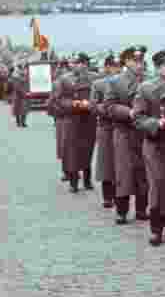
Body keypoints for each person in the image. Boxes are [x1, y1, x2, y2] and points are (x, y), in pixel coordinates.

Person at [133, 49, 165, 247]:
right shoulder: (147, 88)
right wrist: (157, 124)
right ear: (157, 68)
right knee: (158, 186)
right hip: (156, 144)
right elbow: (137, 118)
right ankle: (156, 228)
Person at [104, 45, 150, 225]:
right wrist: (128, 112)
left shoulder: (149, 80)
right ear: (127, 62)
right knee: (124, 172)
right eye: (135, 61)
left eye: (141, 61)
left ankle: (141, 209)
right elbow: (108, 106)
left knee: (144, 172)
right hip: (124, 131)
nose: (139, 65)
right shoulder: (116, 82)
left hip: (144, 132)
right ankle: (122, 211)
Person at [53, 52, 97, 193]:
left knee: (88, 149)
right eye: (75, 63)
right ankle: (73, 181)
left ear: (86, 64)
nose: (77, 65)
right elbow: (58, 99)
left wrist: (91, 103)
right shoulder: (64, 79)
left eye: (80, 63)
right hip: (71, 119)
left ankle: (87, 179)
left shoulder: (94, 78)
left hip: (89, 119)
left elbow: (100, 96)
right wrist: (75, 103)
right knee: (72, 151)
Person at [92, 53, 121, 209]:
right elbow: (93, 105)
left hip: (122, 126)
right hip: (106, 126)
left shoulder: (124, 83)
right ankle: (107, 196)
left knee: (121, 163)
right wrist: (109, 110)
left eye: (118, 66)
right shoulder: (99, 84)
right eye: (113, 66)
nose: (116, 69)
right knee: (106, 163)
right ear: (107, 67)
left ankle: (119, 195)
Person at [9, 63, 29, 128]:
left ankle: (22, 122)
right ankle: (19, 122)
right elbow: (17, 87)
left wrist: (27, 92)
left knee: (23, 110)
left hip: (22, 96)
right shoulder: (16, 79)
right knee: (18, 110)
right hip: (18, 96)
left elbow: (26, 86)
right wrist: (24, 93)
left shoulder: (24, 79)